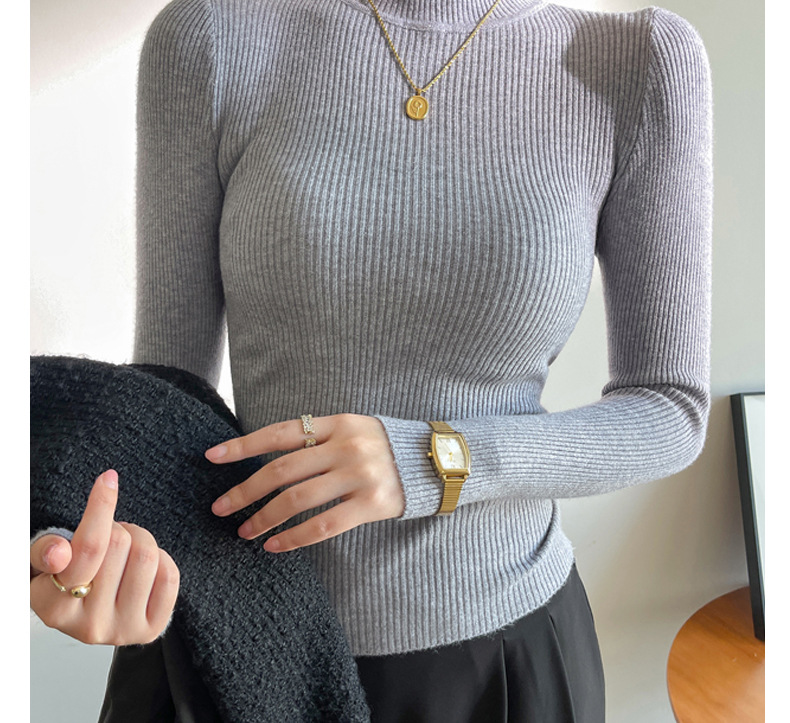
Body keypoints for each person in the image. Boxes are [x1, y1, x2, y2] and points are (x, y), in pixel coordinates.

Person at [30, 0, 714, 720]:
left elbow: (669, 409)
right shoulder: (212, 37)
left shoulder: (636, 62)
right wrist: (72, 548)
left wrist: (433, 459)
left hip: (501, 662)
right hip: (242, 644)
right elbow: (161, 404)